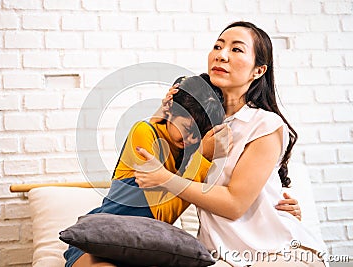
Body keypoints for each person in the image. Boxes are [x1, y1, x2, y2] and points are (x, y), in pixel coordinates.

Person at [134, 21, 326, 266]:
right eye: (217, 46)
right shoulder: (196, 121)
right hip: (218, 255)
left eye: (236, 49)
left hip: (275, 252)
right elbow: (151, 167)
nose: (221, 55)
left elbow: (235, 204)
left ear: (258, 70)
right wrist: (165, 109)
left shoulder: (264, 124)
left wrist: (164, 178)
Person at [64, 75, 226, 267]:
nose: (189, 138)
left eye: (197, 134)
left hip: (145, 246)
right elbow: (162, 215)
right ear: (170, 112)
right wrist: (203, 158)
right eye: (186, 128)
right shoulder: (143, 132)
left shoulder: (188, 156)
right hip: (102, 240)